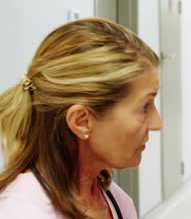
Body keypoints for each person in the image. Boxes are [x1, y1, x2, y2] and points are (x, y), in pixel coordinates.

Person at [0, 18, 162, 219]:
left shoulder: (117, 202)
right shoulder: (22, 212)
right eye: (145, 106)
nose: (157, 123)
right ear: (81, 121)